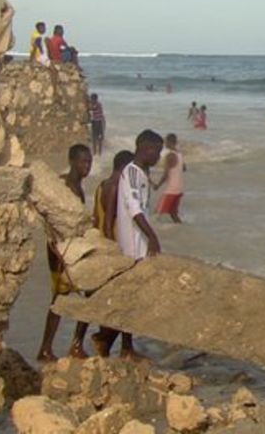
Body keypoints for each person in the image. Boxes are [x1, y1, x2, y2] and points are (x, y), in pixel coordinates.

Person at [92, 131, 164, 360]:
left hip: (139, 242)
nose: (159, 156)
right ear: (146, 148)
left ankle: (114, 342)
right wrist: (152, 237)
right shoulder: (131, 172)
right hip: (134, 244)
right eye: (157, 151)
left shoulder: (141, 173)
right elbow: (134, 208)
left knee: (133, 298)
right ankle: (120, 346)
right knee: (131, 298)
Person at [37, 144, 93, 362]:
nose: (86, 166)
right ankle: (63, 347)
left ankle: (54, 347)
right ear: (71, 161)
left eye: (89, 162)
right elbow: (49, 217)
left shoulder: (78, 186)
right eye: (82, 162)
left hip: (71, 249)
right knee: (64, 298)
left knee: (67, 298)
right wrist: (57, 248)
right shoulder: (66, 186)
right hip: (61, 252)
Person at [153, 134, 186, 223]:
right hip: (179, 189)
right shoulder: (180, 154)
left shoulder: (169, 156)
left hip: (171, 190)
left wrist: (158, 185)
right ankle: (181, 229)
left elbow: (166, 175)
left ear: (169, 142)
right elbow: (184, 168)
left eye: (165, 142)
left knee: (157, 213)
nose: (164, 144)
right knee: (173, 213)